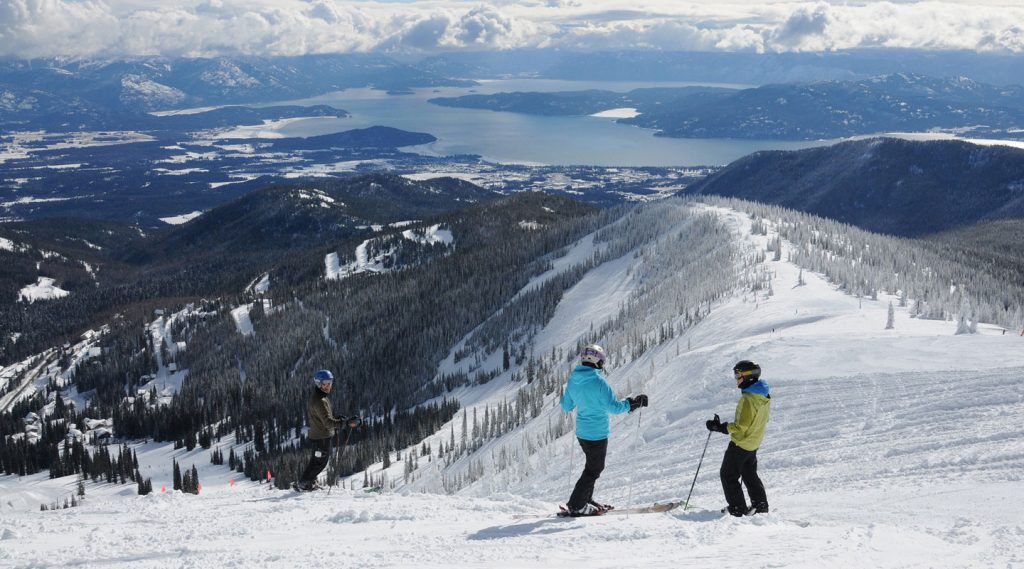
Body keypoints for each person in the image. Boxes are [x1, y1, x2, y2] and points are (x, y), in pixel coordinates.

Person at [560, 344, 648, 516]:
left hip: (582, 433)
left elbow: (566, 405)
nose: (603, 364)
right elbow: (614, 408)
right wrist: (633, 403)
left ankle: (585, 498)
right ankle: (576, 505)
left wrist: (575, 395)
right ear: (597, 361)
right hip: (597, 434)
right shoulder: (599, 383)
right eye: (602, 361)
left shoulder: (573, 380)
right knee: (594, 469)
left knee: (591, 466)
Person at [706, 360, 771, 516]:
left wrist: (720, 427)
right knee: (749, 474)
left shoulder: (748, 399)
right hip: (753, 442)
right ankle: (760, 505)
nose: (736, 379)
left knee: (728, 474)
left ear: (748, 376)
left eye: (738, 375)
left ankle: (737, 508)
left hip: (741, 443)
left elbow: (741, 426)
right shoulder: (763, 395)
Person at [297, 369, 360, 491]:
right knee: (321, 462)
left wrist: (338, 419)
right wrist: (344, 423)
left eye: (330, 382)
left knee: (316, 460)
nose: (328, 386)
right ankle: (305, 483)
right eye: (325, 383)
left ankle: (307, 481)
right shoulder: (320, 401)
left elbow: (324, 418)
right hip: (321, 437)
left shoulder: (320, 397)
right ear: (319, 383)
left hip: (319, 434)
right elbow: (327, 423)